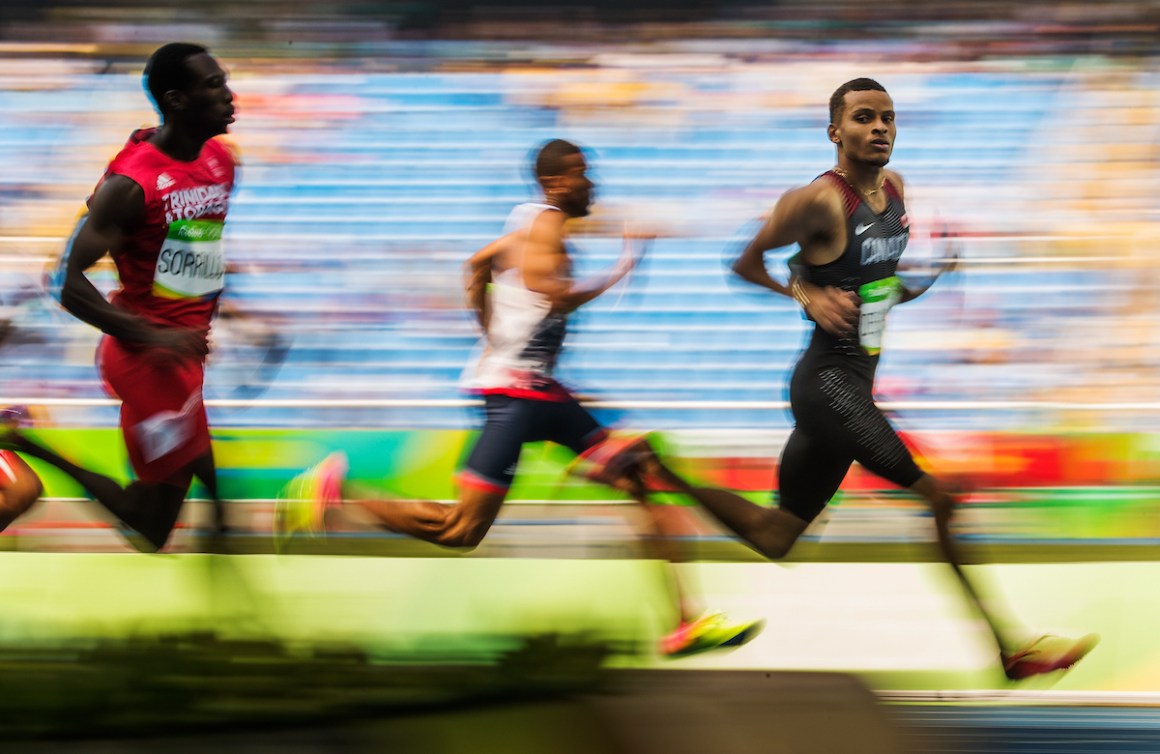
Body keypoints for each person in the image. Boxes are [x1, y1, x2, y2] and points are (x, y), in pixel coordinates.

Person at [642, 78, 1097, 680]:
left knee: (776, 535)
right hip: (828, 384)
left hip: (851, 387)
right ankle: (1010, 649)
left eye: (887, 118)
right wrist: (802, 293)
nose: (879, 128)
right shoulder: (815, 200)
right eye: (863, 118)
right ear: (836, 132)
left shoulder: (896, 193)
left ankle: (654, 467)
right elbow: (747, 261)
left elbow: (875, 286)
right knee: (940, 495)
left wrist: (927, 278)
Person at [278, 139, 762, 657]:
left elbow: (476, 265)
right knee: (460, 529)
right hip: (519, 395)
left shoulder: (528, 224)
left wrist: (491, 329)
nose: (592, 183)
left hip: (533, 390)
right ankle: (337, 491)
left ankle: (686, 622)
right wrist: (622, 267)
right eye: (582, 173)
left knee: (638, 473)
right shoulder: (547, 223)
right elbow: (550, 294)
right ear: (556, 183)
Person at [1, 43, 237, 552]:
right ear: (177, 100)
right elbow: (65, 280)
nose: (230, 96)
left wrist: (216, 298)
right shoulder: (132, 184)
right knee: (150, 526)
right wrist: (156, 334)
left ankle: (220, 526)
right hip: (147, 358)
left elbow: (192, 248)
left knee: (191, 448)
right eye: (214, 86)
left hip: (184, 351)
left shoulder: (220, 160)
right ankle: (28, 443)